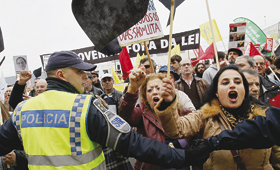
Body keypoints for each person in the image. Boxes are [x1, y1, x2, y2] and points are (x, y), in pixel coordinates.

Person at [0, 51, 207, 169]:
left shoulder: (22, 111)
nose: (86, 77)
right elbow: (134, 144)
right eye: (80, 71)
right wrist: (185, 157)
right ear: (62, 75)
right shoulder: (84, 106)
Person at [155, 65, 273, 169]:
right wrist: (168, 103)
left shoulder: (264, 116)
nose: (232, 85)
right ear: (216, 92)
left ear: (244, 89)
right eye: (225, 83)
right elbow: (176, 130)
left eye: (237, 82)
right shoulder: (205, 116)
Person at [119, 71, 193, 170]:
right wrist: (132, 88)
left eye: (158, 88)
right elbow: (125, 115)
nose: (154, 92)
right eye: (149, 90)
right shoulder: (142, 113)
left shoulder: (181, 111)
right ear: (145, 96)